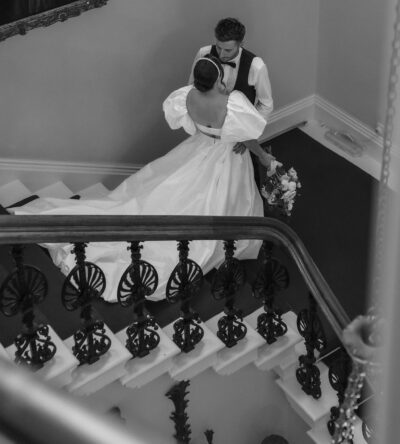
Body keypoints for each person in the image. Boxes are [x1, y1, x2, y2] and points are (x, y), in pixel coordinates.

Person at [11, 55, 270, 302]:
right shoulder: (231, 103)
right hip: (224, 158)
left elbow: (189, 124)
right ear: (217, 78)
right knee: (221, 201)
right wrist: (263, 157)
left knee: (164, 193)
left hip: (198, 149)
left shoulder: (186, 96)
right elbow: (246, 136)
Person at [189, 17, 274, 180]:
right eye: (219, 48)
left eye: (228, 50)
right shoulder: (204, 53)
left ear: (241, 43)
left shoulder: (256, 66)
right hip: (207, 137)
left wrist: (248, 133)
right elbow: (192, 87)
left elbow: (266, 104)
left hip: (238, 140)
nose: (221, 55)